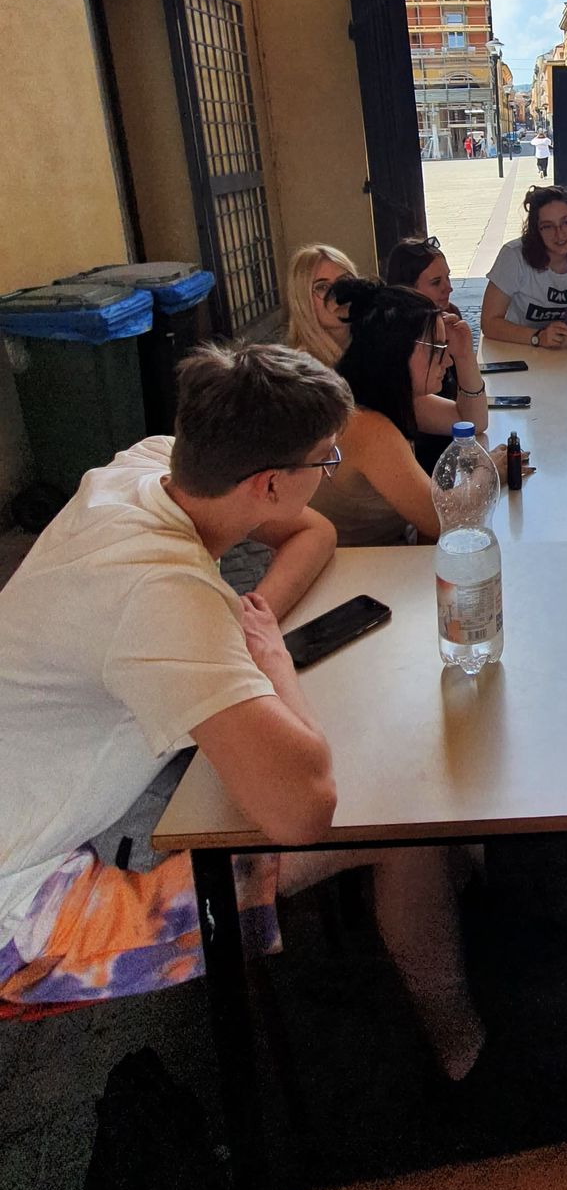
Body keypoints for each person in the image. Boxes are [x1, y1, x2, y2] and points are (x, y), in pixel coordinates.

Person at [0, 345, 492, 1097]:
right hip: (26, 906)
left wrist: (250, 620)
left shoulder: (147, 467)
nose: (330, 473)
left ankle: (451, 934)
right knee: (403, 826)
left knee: (386, 781)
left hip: (48, 807)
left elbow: (313, 533)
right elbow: (302, 811)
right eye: (325, 462)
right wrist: (270, 663)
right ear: (270, 483)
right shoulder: (162, 596)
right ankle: (467, 1059)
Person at [316, 280, 507, 545]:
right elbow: (441, 519)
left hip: (388, 552)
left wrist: (464, 354)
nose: (447, 360)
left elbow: (472, 421)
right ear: (398, 349)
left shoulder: (384, 394)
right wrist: (488, 472)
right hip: (364, 564)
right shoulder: (367, 427)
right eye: (438, 348)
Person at [386, 236, 489, 461]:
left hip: (451, 449)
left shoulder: (449, 318)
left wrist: (464, 355)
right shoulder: (396, 348)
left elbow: (474, 419)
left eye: (448, 277)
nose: (449, 288)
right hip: (429, 463)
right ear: (407, 290)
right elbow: (472, 422)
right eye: (436, 282)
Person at [481, 185, 567, 351]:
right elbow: (489, 322)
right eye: (548, 226)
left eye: (566, 222)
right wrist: (538, 337)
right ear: (536, 230)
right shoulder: (513, 255)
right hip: (521, 347)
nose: (559, 234)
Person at [285, 242, 358, 366]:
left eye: (344, 281)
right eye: (323, 287)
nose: (338, 294)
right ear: (303, 299)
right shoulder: (303, 368)